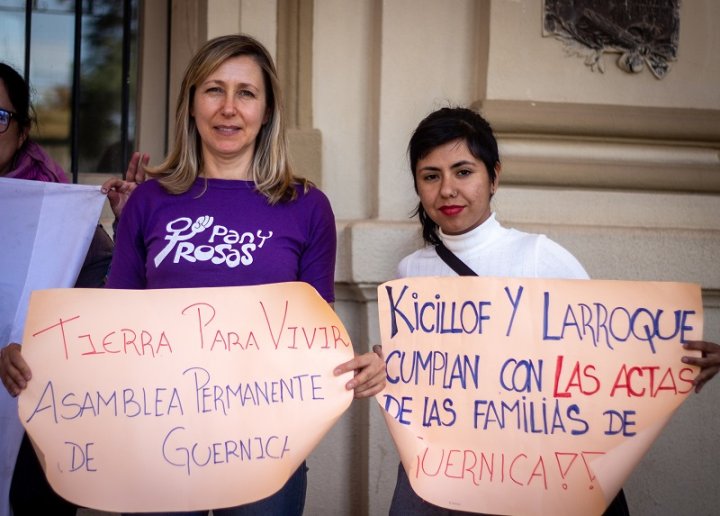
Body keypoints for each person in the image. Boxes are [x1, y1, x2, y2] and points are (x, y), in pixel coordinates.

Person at [386, 106, 720, 516]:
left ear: (494, 176)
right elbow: (421, 371)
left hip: (530, 474)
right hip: (447, 473)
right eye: (430, 176)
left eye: (463, 171)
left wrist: (675, 359)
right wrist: (386, 362)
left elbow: (603, 352)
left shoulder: (539, 256)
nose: (447, 189)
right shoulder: (410, 272)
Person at [0, 61, 144, 516]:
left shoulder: (56, 205)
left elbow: (104, 293)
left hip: (33, 417)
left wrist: (130, 224)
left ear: (22, 131)